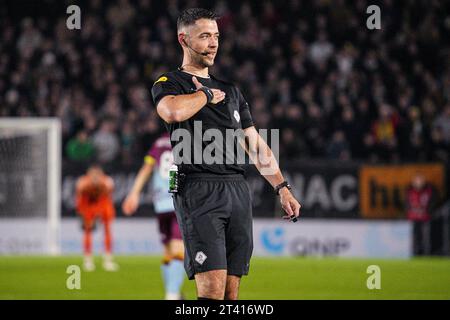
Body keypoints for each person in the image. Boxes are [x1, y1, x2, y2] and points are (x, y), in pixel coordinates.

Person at [150, 8, 301, 300]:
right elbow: (171, 112)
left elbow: (255, 145)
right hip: (198, 189)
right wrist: (204, 95)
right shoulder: (169, 83)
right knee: (211, 293)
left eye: (216, 36)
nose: (213, 43)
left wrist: (282, 188)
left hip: (236, 191)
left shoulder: (231, 91)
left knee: (231, 295)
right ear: (184, 39)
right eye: (205, 36)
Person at [122, 132, 185, 300]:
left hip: (160, 203)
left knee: (168, 252)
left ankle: (174, 292)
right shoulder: (188, 137)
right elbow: (176, 168)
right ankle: (172, 294)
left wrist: (134, 193)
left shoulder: (159, 142)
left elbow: (147, 168)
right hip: (177, 202)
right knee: (179, 251)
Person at [75, 164, 119, 271]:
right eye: (92, 174)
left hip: (104, 205)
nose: (95, 177)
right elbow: (80, 192)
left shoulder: (107, 181)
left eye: (97, 174)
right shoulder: (83, 181)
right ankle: (88, 260)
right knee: (88, 231)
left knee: (108, 230)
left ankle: (108, 260)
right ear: (89, 174)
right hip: (88, 207)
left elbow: (109, 189)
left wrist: (99, 186)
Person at [405, 173, 437, 255]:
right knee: (414, 237)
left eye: (420, 180)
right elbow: (407, 204)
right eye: (416, 180)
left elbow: (433, 202)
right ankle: (415, 253)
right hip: (413, 218)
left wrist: (428, 211)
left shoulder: (429, 190)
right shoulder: (409, 191)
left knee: (426, 237)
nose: (418, 182)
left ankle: (427, 253)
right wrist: (411, 211)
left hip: (425, 218)